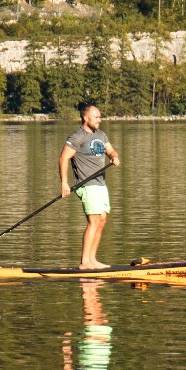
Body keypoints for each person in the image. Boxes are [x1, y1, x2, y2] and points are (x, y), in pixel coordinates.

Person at [58, 100, 121, 270]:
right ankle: (85, 262)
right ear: (86, 118)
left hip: (100, 183)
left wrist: (114, 157)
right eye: (96, 117)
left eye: (100, 117)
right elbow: (64, 158)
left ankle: (92, 260)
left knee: (102, 220)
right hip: (86, 184)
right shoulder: (77, 137)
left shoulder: (100, 135)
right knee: (93, 221)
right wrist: (64, 183)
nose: (99, 119)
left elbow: (111, 150)